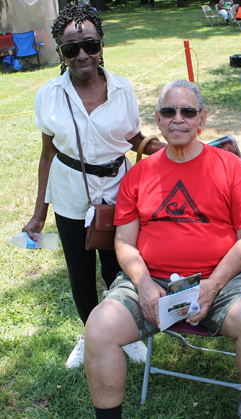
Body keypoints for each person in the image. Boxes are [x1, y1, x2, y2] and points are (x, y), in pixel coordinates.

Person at [83, 80, 241, 419]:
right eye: (169, 111)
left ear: (201, 119)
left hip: (222, 280)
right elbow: (124, 242)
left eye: (187, 111)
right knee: (99, 328)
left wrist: (213, 285)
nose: (178, 119)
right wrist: (142, 283)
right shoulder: (139, 174)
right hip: (151, 279)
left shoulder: (229, 167)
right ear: (157, 120)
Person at [22, 4, 165, 369]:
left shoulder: (122, 88)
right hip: (71, 195)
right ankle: (90, 334)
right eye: (71, 48)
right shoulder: (49, 95)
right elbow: (46, 155)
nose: (82, 54)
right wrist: (39, 215)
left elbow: (133, 137)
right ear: (60, 51)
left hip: (120, 191)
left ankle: (125, 332)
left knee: (118, 269)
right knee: (81, 273)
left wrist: (167, 151)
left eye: (90, 44)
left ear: (101, 44)